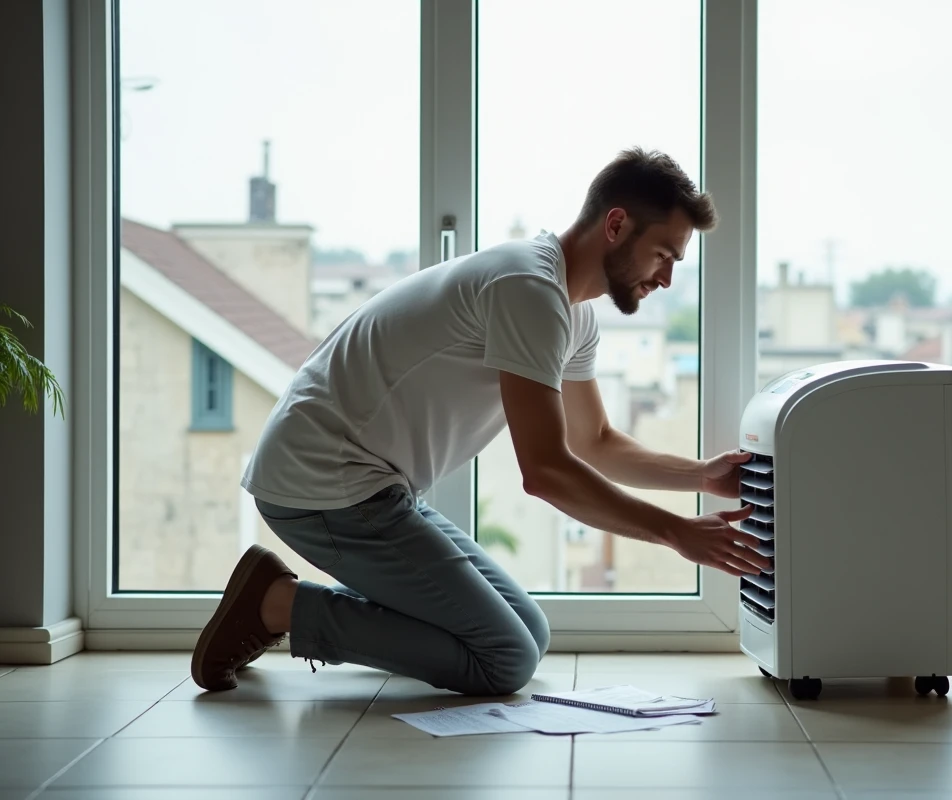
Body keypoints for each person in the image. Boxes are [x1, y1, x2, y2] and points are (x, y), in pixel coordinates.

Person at [190, 147, 772, 695]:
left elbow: (593, 441)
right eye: (664, 255)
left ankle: (282, 600)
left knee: (528, 632)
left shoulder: (572, 314)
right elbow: (545, 471)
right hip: (324, 484)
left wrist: (701, 477)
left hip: (374, 487)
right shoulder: (529, 289)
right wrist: (676, 532)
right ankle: (278, 605)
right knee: (504, 658)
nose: (667, 278)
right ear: (616, 226)